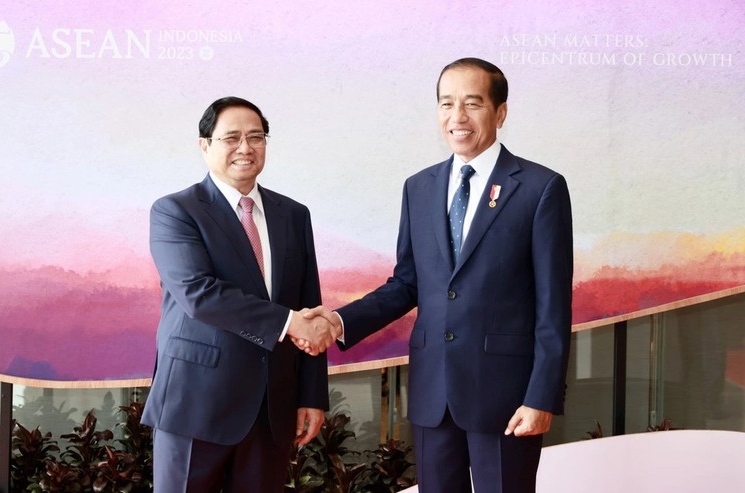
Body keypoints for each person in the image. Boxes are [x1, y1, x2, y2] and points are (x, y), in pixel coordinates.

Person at [306, 58, 573, 492]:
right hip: (434, 395)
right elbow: (407, 283)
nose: (457, 117)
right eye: (446, 104)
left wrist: (540, 396)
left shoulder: (541, 188)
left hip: (506, 397)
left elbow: (553, 305)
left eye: (472, 103)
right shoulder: (419, 187)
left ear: (500, 112)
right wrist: (338, 321)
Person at [141, 96, 337, 492]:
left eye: (256, 137)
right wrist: (288, 322)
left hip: (271, 409)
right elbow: (198, 293)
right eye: (231, 137)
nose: (245, 148)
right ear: (205, 145)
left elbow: (309, 306)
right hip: (196, 403)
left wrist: (312, 396)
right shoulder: (176, 211)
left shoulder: (293, 215)